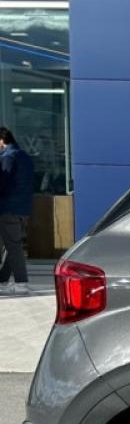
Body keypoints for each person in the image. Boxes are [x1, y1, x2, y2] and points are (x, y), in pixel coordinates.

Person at [0, 126, 36, 296]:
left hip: (8, 208)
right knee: (11, 245)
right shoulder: (25, 156)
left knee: (13, 247)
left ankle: (21, 283)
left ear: (1, 140)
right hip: (22, 208)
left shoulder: (8, 156)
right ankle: (2, 281)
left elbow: (3, 183)